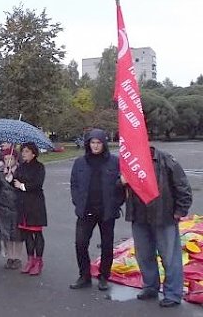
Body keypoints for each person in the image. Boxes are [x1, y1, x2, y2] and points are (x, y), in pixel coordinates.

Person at [123, 146, 192, 308]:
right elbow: (118, 185)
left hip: (164, 217)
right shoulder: (129, 161)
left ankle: (173, 294)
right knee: (144, 255)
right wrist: (121, 181)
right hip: (139, 217)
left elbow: (182, 186)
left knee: (170, 257)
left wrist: (181, 210)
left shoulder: (165, 159)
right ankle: (150, 286)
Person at [69, 129, 124, 291]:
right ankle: (84, 276)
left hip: (107, 211)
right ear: (88, 144)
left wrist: (116, 203)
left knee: (107, 245)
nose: (95, 146)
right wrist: (78, 202)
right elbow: (74, 184)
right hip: (86, 210)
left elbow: (122, 187)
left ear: (104, 144)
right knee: (80, 244)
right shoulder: (80, 162)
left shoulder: (114, 162)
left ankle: (103, 277)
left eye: (99, 142)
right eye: (92, 142)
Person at [14, 142, 47, 275]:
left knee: (37, 233)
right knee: (27, 234)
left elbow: (37, 184)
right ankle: (30, 260)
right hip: (22, 204)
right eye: (23, 151)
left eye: (27, 151)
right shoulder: (21, 167)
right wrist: (10, 177)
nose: (24, 154)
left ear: (34, 153)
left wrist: (22, 186)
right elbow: (15, 182)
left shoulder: (39, 167)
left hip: (35, 204)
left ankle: (38, 261)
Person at [0, 148, 23, 269]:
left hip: (17, 206)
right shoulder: (0, 173)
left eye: (10, 159)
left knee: (17, 234)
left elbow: (24, 189)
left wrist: (15, 180)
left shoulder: (20, 172)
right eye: (5, 159)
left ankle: (18, 257)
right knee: (6, 234)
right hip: (3, 206)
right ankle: (10, 257)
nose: (8, 161)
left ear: (15, 159)